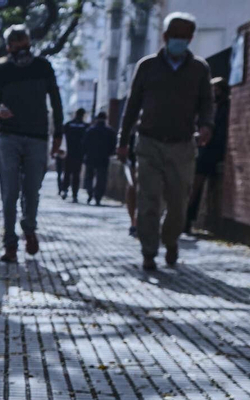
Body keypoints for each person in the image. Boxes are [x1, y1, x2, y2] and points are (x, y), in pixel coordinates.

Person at [118, 12, 214, 270]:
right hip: (149, 143)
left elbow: (207, 102)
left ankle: (170, 240)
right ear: (165, 37)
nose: (180, 41)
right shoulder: (147, 66)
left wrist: (206, 125)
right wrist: (123, 140)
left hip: (182, 145)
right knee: (148, 200)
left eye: (185, 37)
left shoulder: (199, 69)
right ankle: (148, 251)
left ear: (191, 38)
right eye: (175, 36)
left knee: (178, 203)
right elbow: (132, 105)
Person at [0, 24, 64, 263]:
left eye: (24, 43)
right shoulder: (1, 69)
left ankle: (29, 228)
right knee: (9, 191)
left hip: (37, 137)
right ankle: (10, 244)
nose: (20, 48)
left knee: (32, 190)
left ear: (30, 43)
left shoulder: (43, 67)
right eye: (15, 44)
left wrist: (58, 135)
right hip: (8, 136)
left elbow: (56, 101)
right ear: (8, 46)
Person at [185, 79, 230, 234]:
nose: (214, 93)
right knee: (191, 187)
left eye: (216, 90)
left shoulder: (226, 108)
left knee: (194, 187)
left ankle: (185, 219)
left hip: (211, 152)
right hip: (202, 150)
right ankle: (186, 219)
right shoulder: (209, 108)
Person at [82, 111, 117, 205]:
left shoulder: (90, 130)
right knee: (101, 178)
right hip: (103, 158)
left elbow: (84, 144)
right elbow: (113, 146)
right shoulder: (110, 131)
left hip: (90, 157)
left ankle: (90, 193)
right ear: (106, 118)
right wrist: (109, 153)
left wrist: (86, 153)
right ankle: (98, 197)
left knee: (89, 177)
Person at [63, 108, 89, 202]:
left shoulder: (68, 125)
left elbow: (63, 138)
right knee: (76, 174)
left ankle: (65, 190)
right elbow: (87, 142)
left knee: (67, 173)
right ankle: (74, 194)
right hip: (79, 154)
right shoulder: (85, 126)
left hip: (69, 153)